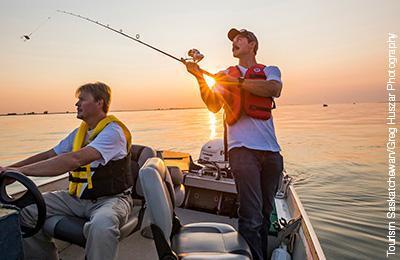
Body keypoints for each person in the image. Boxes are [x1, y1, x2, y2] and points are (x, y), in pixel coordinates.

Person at [0, 82, 133, 260]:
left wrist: (21, 172)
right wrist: (11, 170)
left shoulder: (114, 132)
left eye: (81, 100)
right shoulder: (79, 133)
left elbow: (73, 160)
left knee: (102, 225)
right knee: (23, 209)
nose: (76, 104)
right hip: (77, 199)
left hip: (111, 200)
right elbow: (49, 155)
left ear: (99, 102)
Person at [186, 28, 284, 260]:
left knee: (264, 212)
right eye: (232, 40)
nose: (234, 42)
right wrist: (200, 77)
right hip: (242, 151)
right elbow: (212, 105)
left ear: (252, 45)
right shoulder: (223, 74)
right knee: (251, 215)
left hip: (272, 153)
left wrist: (237, 82)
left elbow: (274, 89)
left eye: (239, 39)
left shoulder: (270, 70)